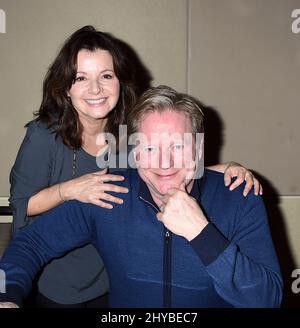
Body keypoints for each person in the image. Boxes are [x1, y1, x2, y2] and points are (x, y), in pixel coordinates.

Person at [0, 85, 282, 308]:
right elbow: (30, 244)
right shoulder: (109, 193)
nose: (164, 162)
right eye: (149, 148)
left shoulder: (239, 197)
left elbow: (267, 299)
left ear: (197, 149)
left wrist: (201, 233)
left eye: (177, 146)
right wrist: (7, 296)